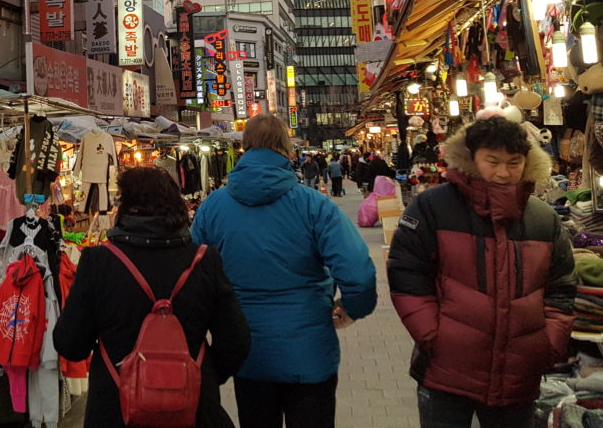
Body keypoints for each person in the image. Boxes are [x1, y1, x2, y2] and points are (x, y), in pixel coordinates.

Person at [388, 116, 576, 428]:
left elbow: (561, 288)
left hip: (518, 375)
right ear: (471, 158)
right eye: (493, 161)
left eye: (514, 163)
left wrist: (548, 345)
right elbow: (407, 275)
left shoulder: (543, 219)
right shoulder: (433, 207)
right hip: (445, 373)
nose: (504, 173)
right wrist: (435, 337)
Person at [191, 114, 377, 428]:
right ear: (285, 148)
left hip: (246, 351)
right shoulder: (314, 206)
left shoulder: (213, 207)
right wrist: (351, 308)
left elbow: (193, 274)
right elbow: (358, 272)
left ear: (245, 146)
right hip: (309, 351)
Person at [54, 166, 250, 428]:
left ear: (125, 207)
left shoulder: (98, 262)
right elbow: (237, 340)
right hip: (193, 409)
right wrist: (201, 374)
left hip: (114, 411)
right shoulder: (204, 260)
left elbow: (70, 344)